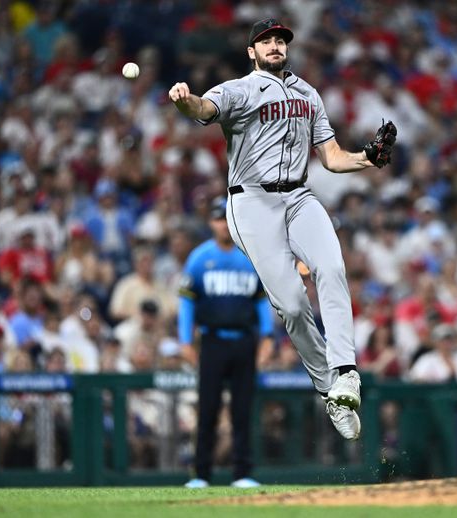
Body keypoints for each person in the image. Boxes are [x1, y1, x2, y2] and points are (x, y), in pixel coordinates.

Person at [168, 18, 397, 441]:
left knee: (332, 267)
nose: (275, 45)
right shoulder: (238, 89)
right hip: (252, 201)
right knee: (291, 306)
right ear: (251, 51)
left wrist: (367, 157)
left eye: (280, 40)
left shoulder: (308, 93)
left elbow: (330, 157)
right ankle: (328, 388)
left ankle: (345, 373)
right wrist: (185, 100)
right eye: (266, 40)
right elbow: (203, 109)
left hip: (299, 196)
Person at [179, 197, 274, 489]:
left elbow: (261, 301)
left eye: (228, 218)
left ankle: (242, 473)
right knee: (207, 409)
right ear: (211, 223)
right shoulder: (199, 258)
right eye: (219, 219)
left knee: (242, 411)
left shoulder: (250, 256)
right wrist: (184, 340)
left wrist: (268, 337)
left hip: (245, 342)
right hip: (212, 341)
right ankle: (201, 474)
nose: (224, 224)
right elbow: (186, 302)